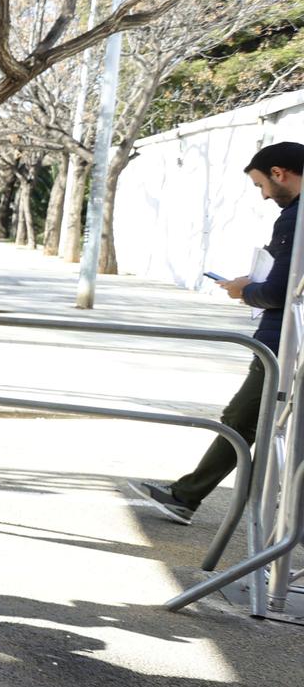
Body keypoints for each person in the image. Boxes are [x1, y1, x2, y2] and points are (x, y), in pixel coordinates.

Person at [131, 141, 303, 525]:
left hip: (284, 344)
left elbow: (278, 292)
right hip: (292, 341)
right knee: (266, 428)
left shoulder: (294, 216)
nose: (263, 195)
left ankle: (191, 497)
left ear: (279, 173)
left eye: (261, 185)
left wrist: (245, 291)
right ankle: (194, 497)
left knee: (244, 421)